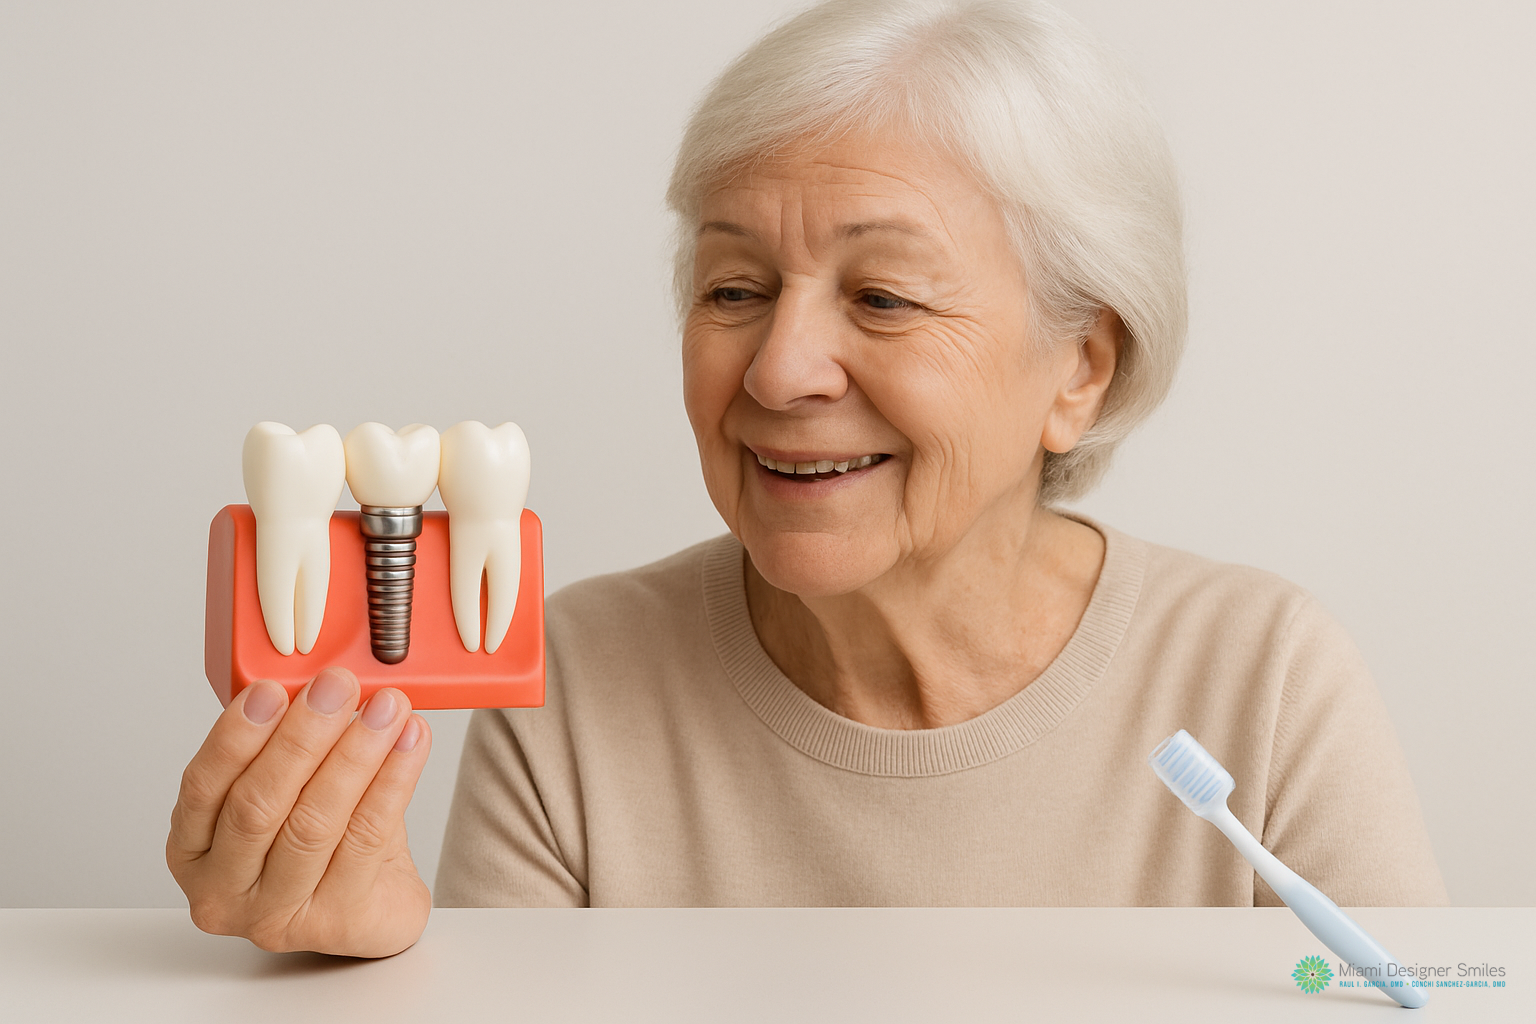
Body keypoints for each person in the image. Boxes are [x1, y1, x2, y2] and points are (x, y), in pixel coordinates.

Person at [167, 0, 1446, 957]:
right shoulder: (578, 685)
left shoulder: (1265, 679)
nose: (778, 369)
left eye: (882, 296)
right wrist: (364, 973)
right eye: (735, 289)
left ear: (1081, 371)